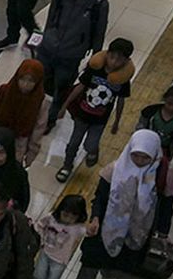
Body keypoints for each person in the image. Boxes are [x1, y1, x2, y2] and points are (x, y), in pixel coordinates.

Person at [68, 130, 173, 279]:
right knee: (87, 271)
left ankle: (108, 276)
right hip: (105, 231)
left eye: (145, 157)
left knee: (117, 267)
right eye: (135, 155)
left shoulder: (164, 176)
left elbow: (167, 208)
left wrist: (163, 233)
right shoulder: (115, 169)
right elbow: (100, 198)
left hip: (136, 236)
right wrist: (95, 218)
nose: (139, 161)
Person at [37, 0, 109, 130]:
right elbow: (51, 16)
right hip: (48, 48)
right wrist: (46, 37)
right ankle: (33, 112)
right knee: (37, 81)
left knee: (61, 90)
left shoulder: (98, 4)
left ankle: (51, 119)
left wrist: (95, 62)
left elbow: (99, 33)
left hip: (71, 55)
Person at [56, 38, 135, 182]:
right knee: (74, 142)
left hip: (99, 120)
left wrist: (116, 121)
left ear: (126, 61)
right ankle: (67, 166)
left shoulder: (122, 80)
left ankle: (93, 150)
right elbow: (80, 87)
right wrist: (65, 105)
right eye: (112, 57)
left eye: (120, 59)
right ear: (107, 54)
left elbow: (121, 100)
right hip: (82, 114)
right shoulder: (95, 69)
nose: (114, 62)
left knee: (90, 144)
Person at [32, 195, 93, 279]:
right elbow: (39, 225)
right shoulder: (50, 218)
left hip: (60, 261)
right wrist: (40, 238)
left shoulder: (77, 228)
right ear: (60, 210)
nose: (68, 219)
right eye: (65, 214)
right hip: (45, 253)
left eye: (73, 216)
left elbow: (88, 232)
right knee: (38, 273)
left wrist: (92, 229)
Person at [0, 59, 50, 167]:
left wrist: (31, 154)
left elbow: (39, 128)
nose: (25, 84)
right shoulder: (4, 91)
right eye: (22, 79)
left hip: (19, 143)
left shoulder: (40, 101)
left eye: (31, 81)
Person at [136, 84, 173, 158]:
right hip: (145, 147)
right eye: (169, 104)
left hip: (165, 153)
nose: (171, 108)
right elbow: (139, 129)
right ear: (164, 98)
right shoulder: (150, 112)